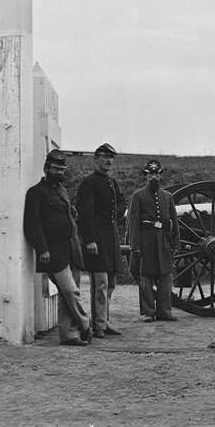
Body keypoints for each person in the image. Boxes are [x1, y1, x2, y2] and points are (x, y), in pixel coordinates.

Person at [23, 149, 92, 346]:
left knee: (65, 294)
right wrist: (42, 249)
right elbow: (33, 224)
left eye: (62, 169)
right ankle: (85, 325)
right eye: (55, 169)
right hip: (53, 252)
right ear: (46, 169)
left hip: (71, 248)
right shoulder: (35, 193)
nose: (59, 173)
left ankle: (68, 335)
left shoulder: (61, 191)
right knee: (71, 291)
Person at [76, 143, 127, 338]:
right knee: (100, 284)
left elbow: (119, 203)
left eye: (111, 157)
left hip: (110, 239)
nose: (108, 160)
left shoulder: (111, 182)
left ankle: (103, 322)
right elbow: (84, 214)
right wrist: (89, 239)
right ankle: (97, 327)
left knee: (111, 283)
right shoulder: (90, 182)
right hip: (96, 240)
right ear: (95, 159)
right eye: (104, 156)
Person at [126, 159, 180, 322]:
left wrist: (175, 243)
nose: (153, 178)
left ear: (160, 175)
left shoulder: (168, 197)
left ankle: (164, 311)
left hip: (163, 240)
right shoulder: (137, 196)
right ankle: (149, 312)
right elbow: (133, 222)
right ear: (146, 176)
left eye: (156, 174)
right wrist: (135, 245)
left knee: (165, 277)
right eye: (150, 175)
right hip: (146, 240)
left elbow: (173, 221)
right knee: (146, 279)